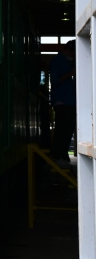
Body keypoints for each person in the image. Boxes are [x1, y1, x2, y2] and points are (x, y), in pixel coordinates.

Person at [49, 39, 76, 167]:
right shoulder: (57, 61)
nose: (73, 57)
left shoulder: (64, 61)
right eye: (72, 54)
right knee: (62, 129)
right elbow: (54, 81)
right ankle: (58, 155)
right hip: (61, 100)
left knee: (68, 128)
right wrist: (71, 73)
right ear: (68, 50)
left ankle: (63, 155)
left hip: (69, 100)